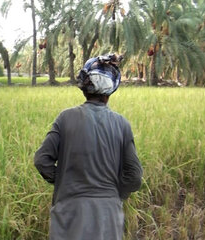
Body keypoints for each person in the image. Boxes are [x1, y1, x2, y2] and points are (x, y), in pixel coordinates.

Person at [34, 54, 143, 240]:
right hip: (107, 214)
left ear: (84, 89)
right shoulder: (122, 124)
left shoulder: (65, 118)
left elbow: (42, 160)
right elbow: (134, 177)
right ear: (110, 91)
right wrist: (114, 196)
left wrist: (64, 182)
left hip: (68, 210)